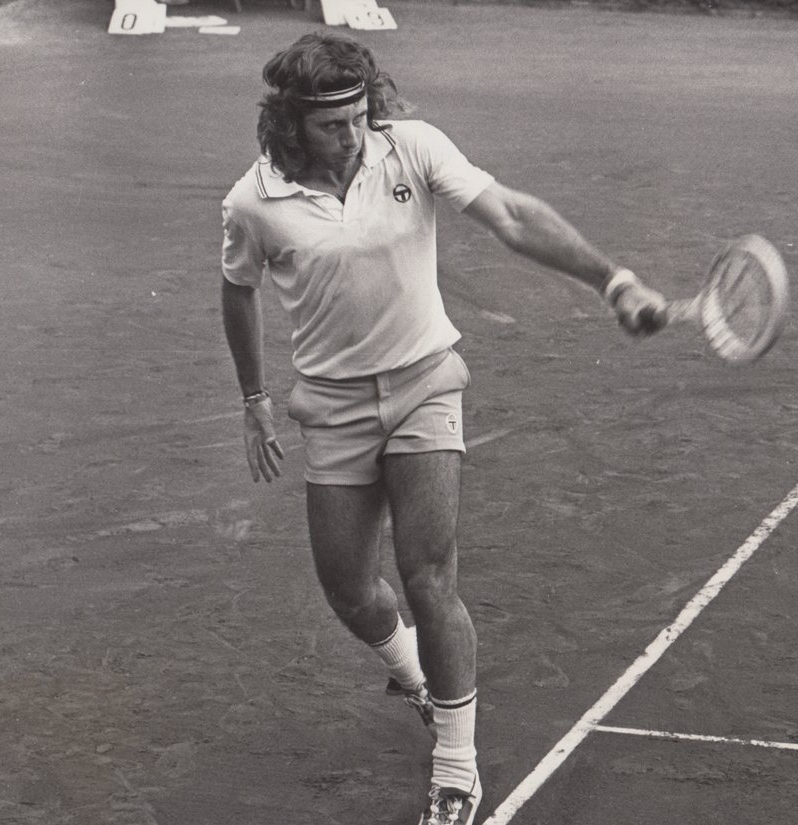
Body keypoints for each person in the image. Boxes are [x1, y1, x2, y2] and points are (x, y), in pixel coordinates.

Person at [220, 31, 666, 825]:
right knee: (350, 591)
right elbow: (238, 290)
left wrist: (612, 279)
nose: (353, 136)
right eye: (332, 124)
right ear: (291, 124)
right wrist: (254, 396)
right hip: (333, 403)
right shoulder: (252, 203)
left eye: (360, 116)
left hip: (426, 383)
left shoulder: (412, 150)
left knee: (429, 577)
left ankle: (455, 769)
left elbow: (513, 216)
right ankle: (419, 680)